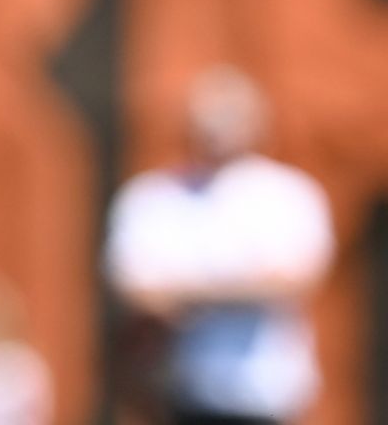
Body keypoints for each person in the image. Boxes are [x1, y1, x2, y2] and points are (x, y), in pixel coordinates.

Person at [105, 66, 333, 425]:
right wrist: (240, 286)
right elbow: (135, 287)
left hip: (264, 392)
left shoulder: (288, 195)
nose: (217, 128)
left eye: (230, 114)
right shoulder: (151, 197)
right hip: (174, 390)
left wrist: (186, 293)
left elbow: (293, 280)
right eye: (209, 115)